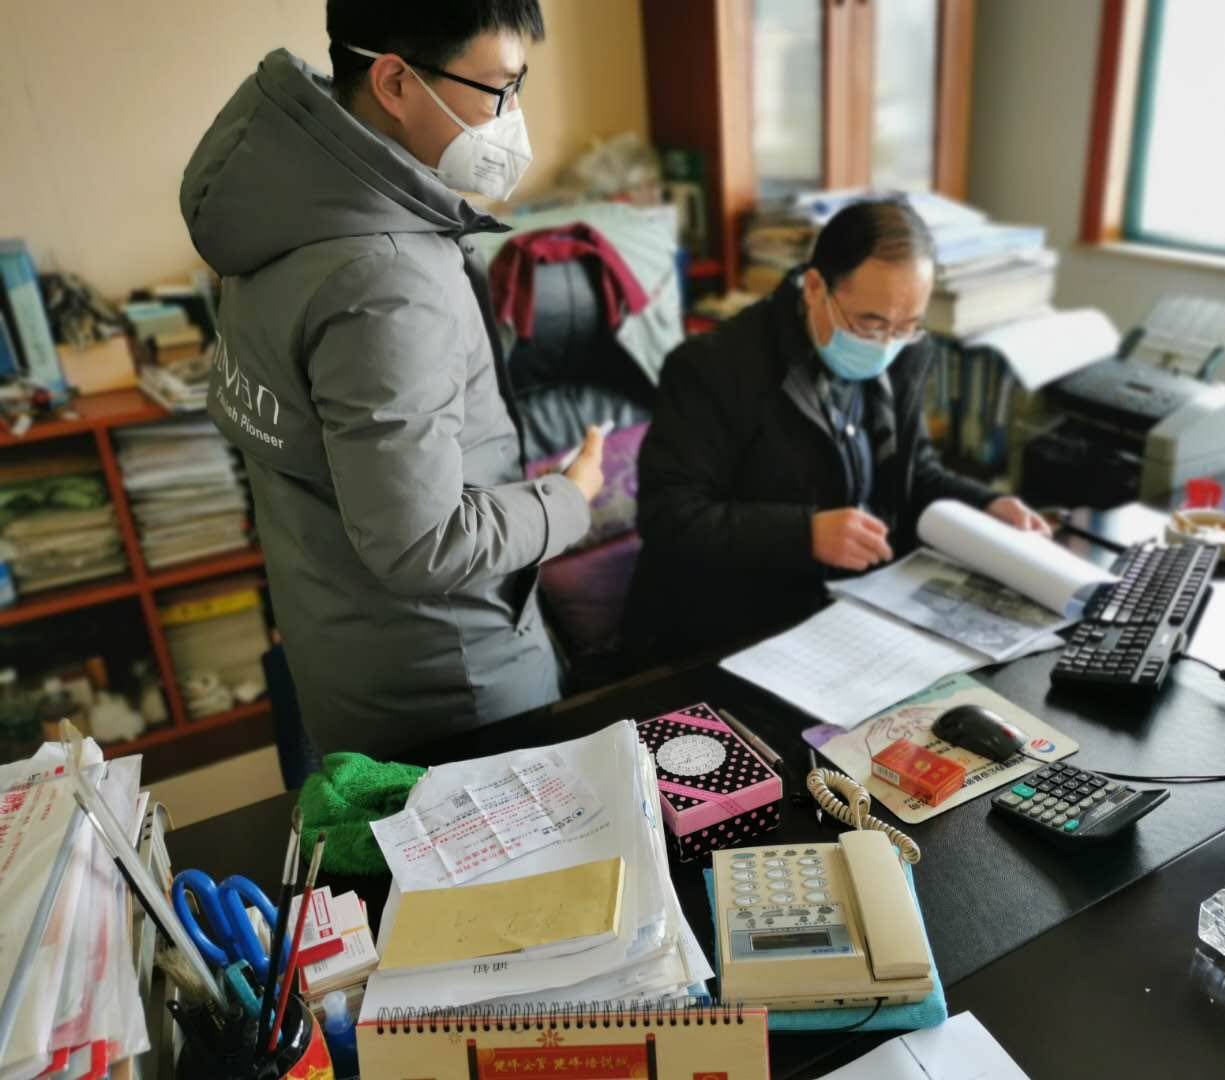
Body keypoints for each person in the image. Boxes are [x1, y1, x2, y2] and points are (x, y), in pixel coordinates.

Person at [180, 1, 604, 757]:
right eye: (499, 88)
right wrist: (569, 501)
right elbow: (423, 544)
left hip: (346, 651)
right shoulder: (386, 277)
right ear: (396, 82)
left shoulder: (285, 204)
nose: (513, 117)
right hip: (450, 689)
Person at [627, 199, 1050, 660]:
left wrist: (986, 504)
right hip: (730, 627)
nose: (886, 344)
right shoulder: (714, 367)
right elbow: (668, 517)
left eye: (907, 326)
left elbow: (915, 473)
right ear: (814, 287)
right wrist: (804, 535)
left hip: (852, 605)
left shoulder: (905, 351)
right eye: (869, 323)